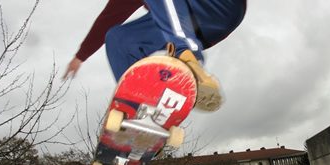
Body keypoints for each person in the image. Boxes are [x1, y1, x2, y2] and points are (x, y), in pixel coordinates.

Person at [63, 0, 246, 112]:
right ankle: (140, 113)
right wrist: (81, 55)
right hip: (193, 25)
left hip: (222, 6)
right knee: (118, 38)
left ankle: (187, 58)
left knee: (177, 41)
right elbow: (110, 17)